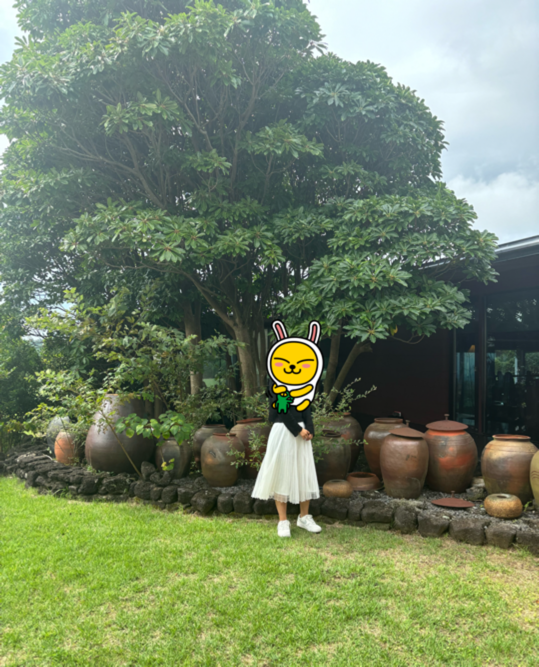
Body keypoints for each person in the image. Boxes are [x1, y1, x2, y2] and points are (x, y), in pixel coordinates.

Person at [251, 376, 322, 538]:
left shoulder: (303, 379)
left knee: (304, 472)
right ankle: (283, 521)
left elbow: (306, 406)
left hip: (302, 433)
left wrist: (309, 428)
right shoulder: (276, 380)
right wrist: (298, 429)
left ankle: (304, 517)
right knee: (281, 473)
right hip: (283, 430)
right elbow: (281, 408)